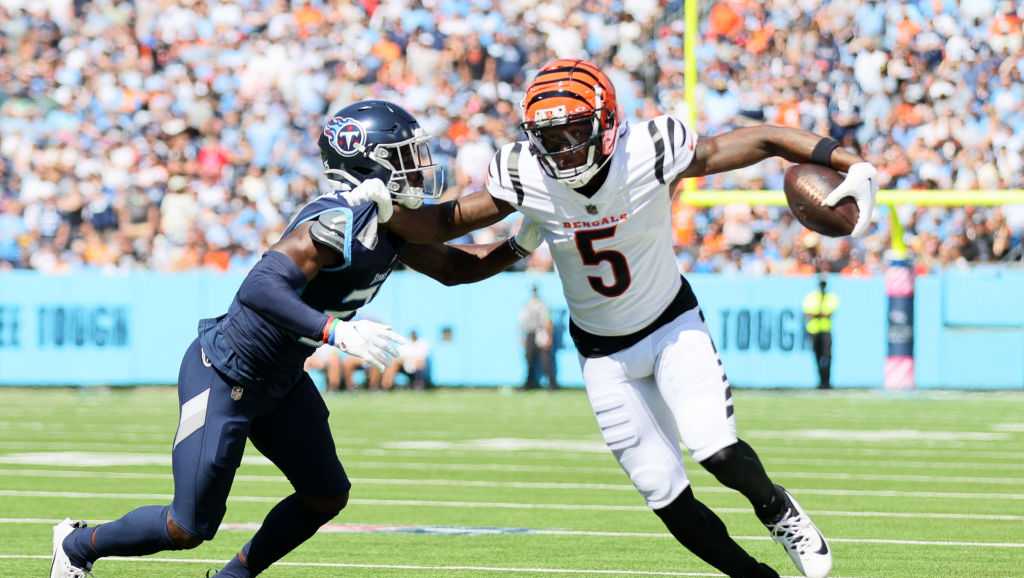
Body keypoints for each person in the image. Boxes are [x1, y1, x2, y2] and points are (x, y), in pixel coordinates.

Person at [356, 60, 878, 578]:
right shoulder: (522, 171)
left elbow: (761, 139)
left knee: (716, 449)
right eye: (549, 138)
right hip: (602, 353)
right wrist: (377, 208)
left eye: (574, 132)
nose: (562, 149)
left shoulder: (649, 148)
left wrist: (852, 161)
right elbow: (447, 225)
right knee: (664, 494)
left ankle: (776, 509)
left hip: (673, 325)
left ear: (607, 122)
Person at [50, 100, 541, 578]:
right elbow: (260, 288)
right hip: (226, 372)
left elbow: (455, 259)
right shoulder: (339, 220)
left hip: (281, 380)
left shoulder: (391, 219)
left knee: (326, 493)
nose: (420, 167)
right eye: (406, 156)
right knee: (188, 525)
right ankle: (76, 546)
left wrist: (521, 235)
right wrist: (336, 331)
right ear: (369, 161)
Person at [518, 285, 558, 390]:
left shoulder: (542, 304)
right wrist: (522, 337)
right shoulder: (527, 304)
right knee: (529, 359)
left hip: (540, 331)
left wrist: (548, 335)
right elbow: (522, 323)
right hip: (530, 333)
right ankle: (530, 382)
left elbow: (548, 321)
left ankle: (552, 383)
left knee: (545, 359)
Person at [803, 274, 839, 389]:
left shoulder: (830, 297)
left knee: (827, 356)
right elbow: (808, 313)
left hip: (825, 331)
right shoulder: (812, 297)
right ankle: (821, 381)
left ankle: (826, 381)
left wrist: (817, 314)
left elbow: (828, 313)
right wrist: (820, 314)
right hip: (814, 331)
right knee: (817, 357)